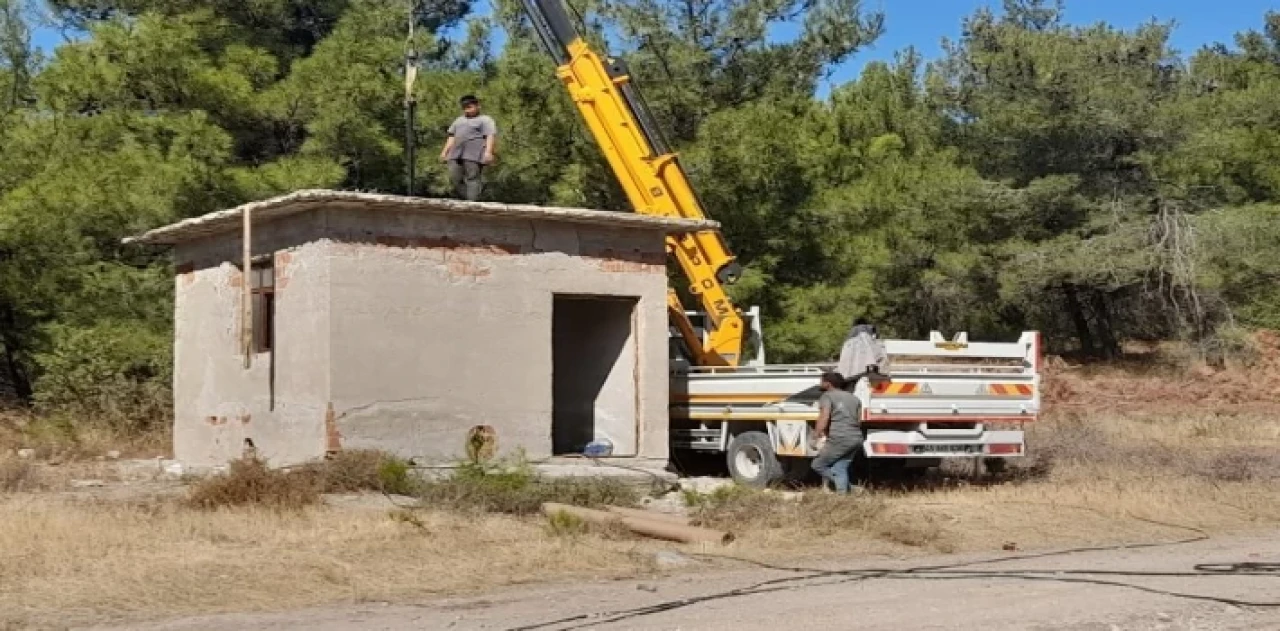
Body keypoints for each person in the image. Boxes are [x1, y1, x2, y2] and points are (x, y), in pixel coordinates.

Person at [811, 371, 864, 494]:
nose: (820, 383)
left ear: (828, 384)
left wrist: (816, 434)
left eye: (821, 381)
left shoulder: (827, 396)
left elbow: (824, 417)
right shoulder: (854, 398)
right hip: (856, 437)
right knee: (840, 467)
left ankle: (852, 488)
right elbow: (858, 421)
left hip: (840, 437)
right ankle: (842, 496)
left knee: (818, 465)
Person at [440, 94, 497, 201]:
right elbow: (452, 136)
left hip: (473, 154)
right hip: (455, 154)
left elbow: (490, 135)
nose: (467, 110)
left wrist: (488, 152)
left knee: (472, 179)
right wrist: (444, 152)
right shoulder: (459, 120)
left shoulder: (485, 120)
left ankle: (472, 203)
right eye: (465, 108)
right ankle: (465, 199)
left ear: (477, 106)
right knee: (455, 178)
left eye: (469, 107)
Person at [837, 317, 888, 387]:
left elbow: (844, 363)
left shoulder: (849, 341)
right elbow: (880, 357)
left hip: (852, 378)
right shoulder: (873, 340)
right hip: (874, 376)